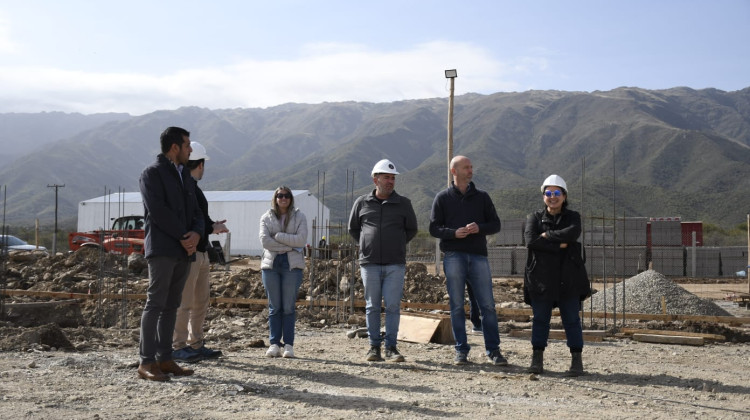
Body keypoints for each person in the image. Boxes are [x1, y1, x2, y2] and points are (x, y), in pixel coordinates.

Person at [137, 127, 204, 382]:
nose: (190, 149)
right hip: (164, 248)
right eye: (187, 145)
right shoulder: (151, 174)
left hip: (183, 249)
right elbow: (157, 210)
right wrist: (183, 236)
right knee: (155, 303)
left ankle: (165, 359)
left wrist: (196, 235)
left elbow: (197, 210)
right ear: (174, 147)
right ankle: (146, 361)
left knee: (171, 305)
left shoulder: (185, 176)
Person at [429, 155, 507, 366]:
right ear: (454, 171)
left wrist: (479, 228)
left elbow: (496, 225)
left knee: (488, 305)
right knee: (456, 305)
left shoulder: (482, 197)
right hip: (453, 256)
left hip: (478, 257)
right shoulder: (442, 198)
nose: (470, 170)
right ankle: (461, 351)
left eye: (471, 167)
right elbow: (434, 228)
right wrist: (454, 233)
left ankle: (494, 351)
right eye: (466, 167)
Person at [348, 159, 418, 362]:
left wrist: (395, 243)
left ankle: (391, 348)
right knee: (372, 306)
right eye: (386, 177)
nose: (390, 181)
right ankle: (374, 348)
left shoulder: (403, 203)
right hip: (369, 264)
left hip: (394, 263)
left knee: (393, 306)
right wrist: (366, 245)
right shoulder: (362, 202)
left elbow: (411, 229)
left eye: (393, 178)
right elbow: (354, 229)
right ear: (375, 179)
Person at [523, 174, 591, 376]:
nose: (552, 197)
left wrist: (547, 236)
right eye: (548, 193)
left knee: (571, 319)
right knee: (540, 319)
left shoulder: (573, 217)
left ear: (564, 195)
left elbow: (573, 233)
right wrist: (559, 245)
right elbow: (531, 241)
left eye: (556, 193)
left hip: (568, 277)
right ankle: (537, 360)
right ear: (543, 196)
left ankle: (576, 362)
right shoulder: (534, 218)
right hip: (541, 278)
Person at [172, 142, 229, 363]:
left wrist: (211, 225)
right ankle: (179, 345)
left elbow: (197, 219)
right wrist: (211, 227)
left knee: (199, 301)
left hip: (201, 250)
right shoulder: (184, 189)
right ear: (201, 164)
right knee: (186, 302)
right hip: (191, 252)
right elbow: (187, 222)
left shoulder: (191, 188)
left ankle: (195, 343)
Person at [259, 186, 308, 358]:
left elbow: (301, 239)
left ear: (291, 198)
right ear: (275, 198)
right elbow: (265, 242)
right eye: (280, 195)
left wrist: (278, 236)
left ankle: (288, 345)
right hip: (271, 265)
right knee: (274, 307)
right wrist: (290, 245)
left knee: (288, 307)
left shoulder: (300, 216)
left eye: (287, 196)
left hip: (291, 265)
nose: (283, 198)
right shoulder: (266, 217)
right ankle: (274, 344)